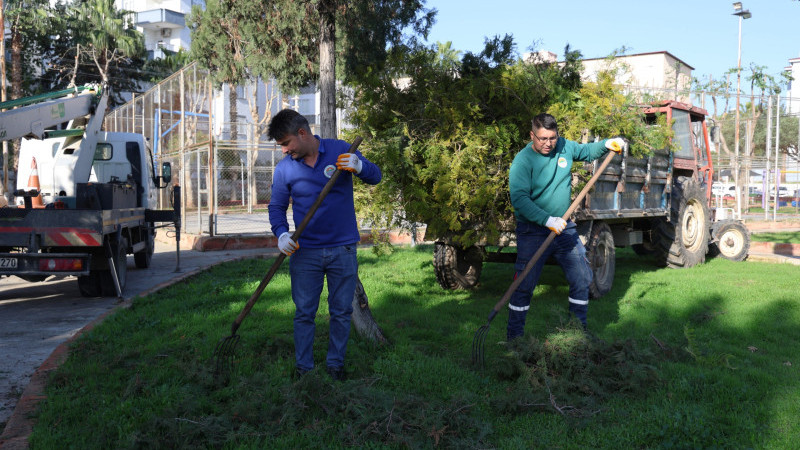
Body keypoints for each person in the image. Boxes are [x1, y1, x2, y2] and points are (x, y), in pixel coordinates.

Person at [267, 109, 382, 380]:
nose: (284, 150)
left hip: (343, 248)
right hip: (305, 252)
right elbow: (276, 207)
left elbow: (376, 176)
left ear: (302, 133)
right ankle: (304, 369)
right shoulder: (285, 168)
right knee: (304, 312)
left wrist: (360, 166)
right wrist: (281, 234)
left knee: (341, 311)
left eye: (286, 143)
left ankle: (335, 366)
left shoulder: (340, 151)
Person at [506, 113, 623, 340]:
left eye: (552, 138)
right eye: (542, 138)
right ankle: (515, 340)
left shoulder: (564, 147)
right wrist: (547, 220)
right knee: (524, 284)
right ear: (532, 135)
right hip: (533, 230)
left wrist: (607, 144)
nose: (548, 143)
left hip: (563, 228)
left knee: (582, 277)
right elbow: (519, 200)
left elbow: (586, 151)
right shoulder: (523, 161)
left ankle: (577, 334)